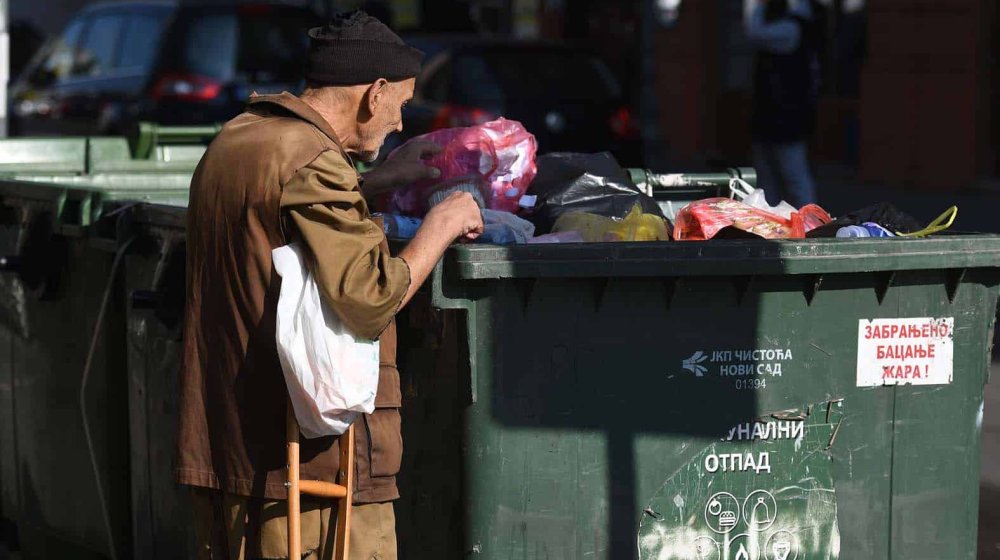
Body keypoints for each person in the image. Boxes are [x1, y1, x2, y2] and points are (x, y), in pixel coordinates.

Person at [177, 11, 484, 560]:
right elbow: (368, 300)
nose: (398, 124)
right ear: (375, 92)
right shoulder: (315, 161)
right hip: (306, 468)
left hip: (230, 448)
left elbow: (281, 221)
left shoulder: (240, 137)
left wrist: (375, 181)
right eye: (401, 105)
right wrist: (441, 226)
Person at [745, 0, 823, 207]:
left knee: (794, 175)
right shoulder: (793, 27)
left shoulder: (791, 28)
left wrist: (757, 5)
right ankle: (770, 224)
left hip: (787, 118)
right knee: (767, 178)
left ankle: (813, 224)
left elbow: (754, 32)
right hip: (770, 115)